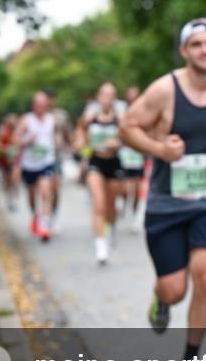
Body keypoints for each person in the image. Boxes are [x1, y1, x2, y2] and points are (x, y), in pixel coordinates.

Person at [119, 18, 206, 361]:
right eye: (196, 44)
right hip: (166, 205)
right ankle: (160, 296)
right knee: (176, 289)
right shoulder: (165, 90)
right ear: (184, 51)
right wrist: (159, 149)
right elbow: (127, 127)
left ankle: (191, 359)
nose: (205, 49)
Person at [75, 82, 127, 265]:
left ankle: (111, 227)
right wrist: (81, 144)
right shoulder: (90, 117)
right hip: (95, 161)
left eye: (111, 95)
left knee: (111, 207)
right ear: (98, 97)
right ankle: (100, 246)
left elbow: (129, 136)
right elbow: (80, 132)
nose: (107, 98)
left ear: (115, 98)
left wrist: (119, 142)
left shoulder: (120, 117)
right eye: (104, 94)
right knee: (99, 205)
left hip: (113, 162)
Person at [16, 91, 56, 242]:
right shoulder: (26, 120)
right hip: (29, 165)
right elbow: (16, 139)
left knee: (46, 192)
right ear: (33, 105)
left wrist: (58, 143)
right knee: (32, 197)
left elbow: (55, 137)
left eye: (43, 105)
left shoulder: (52, 120)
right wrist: (27, 141)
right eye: (38, 105)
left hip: (46, 162)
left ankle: (44, 226)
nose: (41, 107)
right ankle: (35, 215)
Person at [119, 86, 147, 228]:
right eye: (130, 96)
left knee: (136, 190)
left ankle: (135, 214)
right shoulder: (121, 113)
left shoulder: (145, 113)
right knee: (124, 189)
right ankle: (124, 207)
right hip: (123, 155)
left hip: (137, 156)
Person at [46, 89, 73, 233]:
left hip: (57, 157)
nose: (50, 101)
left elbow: (69, 134)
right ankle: (44, 216)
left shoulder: (61, 115)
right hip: (42, 158)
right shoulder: (40, 116)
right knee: (45, 189)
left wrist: (70, 145)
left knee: (55, 189)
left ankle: (53, 217)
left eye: (52, 98)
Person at [0, 114, 21, 210]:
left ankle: (15, 199)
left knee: (15, 180)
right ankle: (9, 198)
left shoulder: (19, 133)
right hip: (5, 161)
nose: (12, 125)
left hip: (16, 161)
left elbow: (20, 145)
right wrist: (6, 149)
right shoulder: (2, 133)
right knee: (7, 182)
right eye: (10, 123)